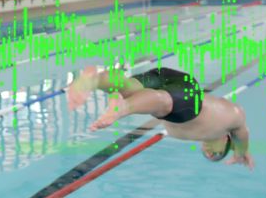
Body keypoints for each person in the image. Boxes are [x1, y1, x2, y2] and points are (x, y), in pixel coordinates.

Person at [66, 65, 253, 169]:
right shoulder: (231, 118)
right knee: (164, 104)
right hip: (188, 95)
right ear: (226, 139)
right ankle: (122, 107)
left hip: (165, 78)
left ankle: (94, 80)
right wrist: (241, 152)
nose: (210, 153)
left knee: (130, 88)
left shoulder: (189, 133)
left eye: (209, 156)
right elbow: (243, 133)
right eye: (218, 154)